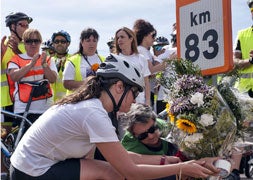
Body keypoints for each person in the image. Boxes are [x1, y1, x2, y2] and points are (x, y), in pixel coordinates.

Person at [10, 54, 220, 180]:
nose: (135, 101)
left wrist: (167, 160)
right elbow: (130, 171)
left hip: (32, 165)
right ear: (119, 87)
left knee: (110, 170)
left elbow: (126, 157)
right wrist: (183, 168)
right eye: (134, 93)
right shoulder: (93, 113)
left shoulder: (93, 108)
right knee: (112, 174)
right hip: (31, 172)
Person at [7, 28, 57, 128]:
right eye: (29, 41)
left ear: (40, 42)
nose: (33, 44)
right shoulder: (16, 59)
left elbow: (53, 79)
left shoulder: (47, 59)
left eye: (36, 41)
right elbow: (14, 77)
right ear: (24, 43)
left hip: (44, 109)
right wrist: (31, 64)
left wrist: (44, 65)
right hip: (23, 109)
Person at [1, 12, 32, 122]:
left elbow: (32, 68)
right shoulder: (3, 45)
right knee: (6, 134)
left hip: (26, 100)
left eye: (27, 25)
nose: (26, 28)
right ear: (12, 27)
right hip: (7, 100)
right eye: (22, 25)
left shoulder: (29, 46)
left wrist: (16, 51)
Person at [133, 19, 168, 110]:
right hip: (143, 94)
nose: (154, 38)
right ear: (145, 36)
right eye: (152, 35)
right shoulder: (141, 50)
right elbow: (151, 70)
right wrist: (170, 61)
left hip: (149, 91)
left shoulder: (146, 51)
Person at [115, 27, 151, 105]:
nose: (119, 40)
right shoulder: (114, 59)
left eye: (122, 37)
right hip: (120, 104)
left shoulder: (141, 58)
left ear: (131, 39)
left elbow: (146, 82)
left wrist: (147, 101)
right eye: (118, 38)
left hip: (139, 103)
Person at [63, 27, 105, 95]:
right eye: (88, 40)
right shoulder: (72, 60)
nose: (91, 44)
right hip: (77, 101)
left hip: (98, 101)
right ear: (82, 42)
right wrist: (88, 83)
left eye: (94, 41)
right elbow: (66, 84)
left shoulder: (104, 60)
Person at [233, 0, 253, 97]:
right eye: (252, 9)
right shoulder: (242, 34)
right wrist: (250, 61)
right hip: (243, 94)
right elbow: (235, 61)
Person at [50, 30, 71, 102]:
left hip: (68, 102)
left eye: (63, 41)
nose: (59, 43)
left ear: (68, 43)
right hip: (50, 104)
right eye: (56, 41)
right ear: (53, 44)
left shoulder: (73, 59)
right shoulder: (48, 60)